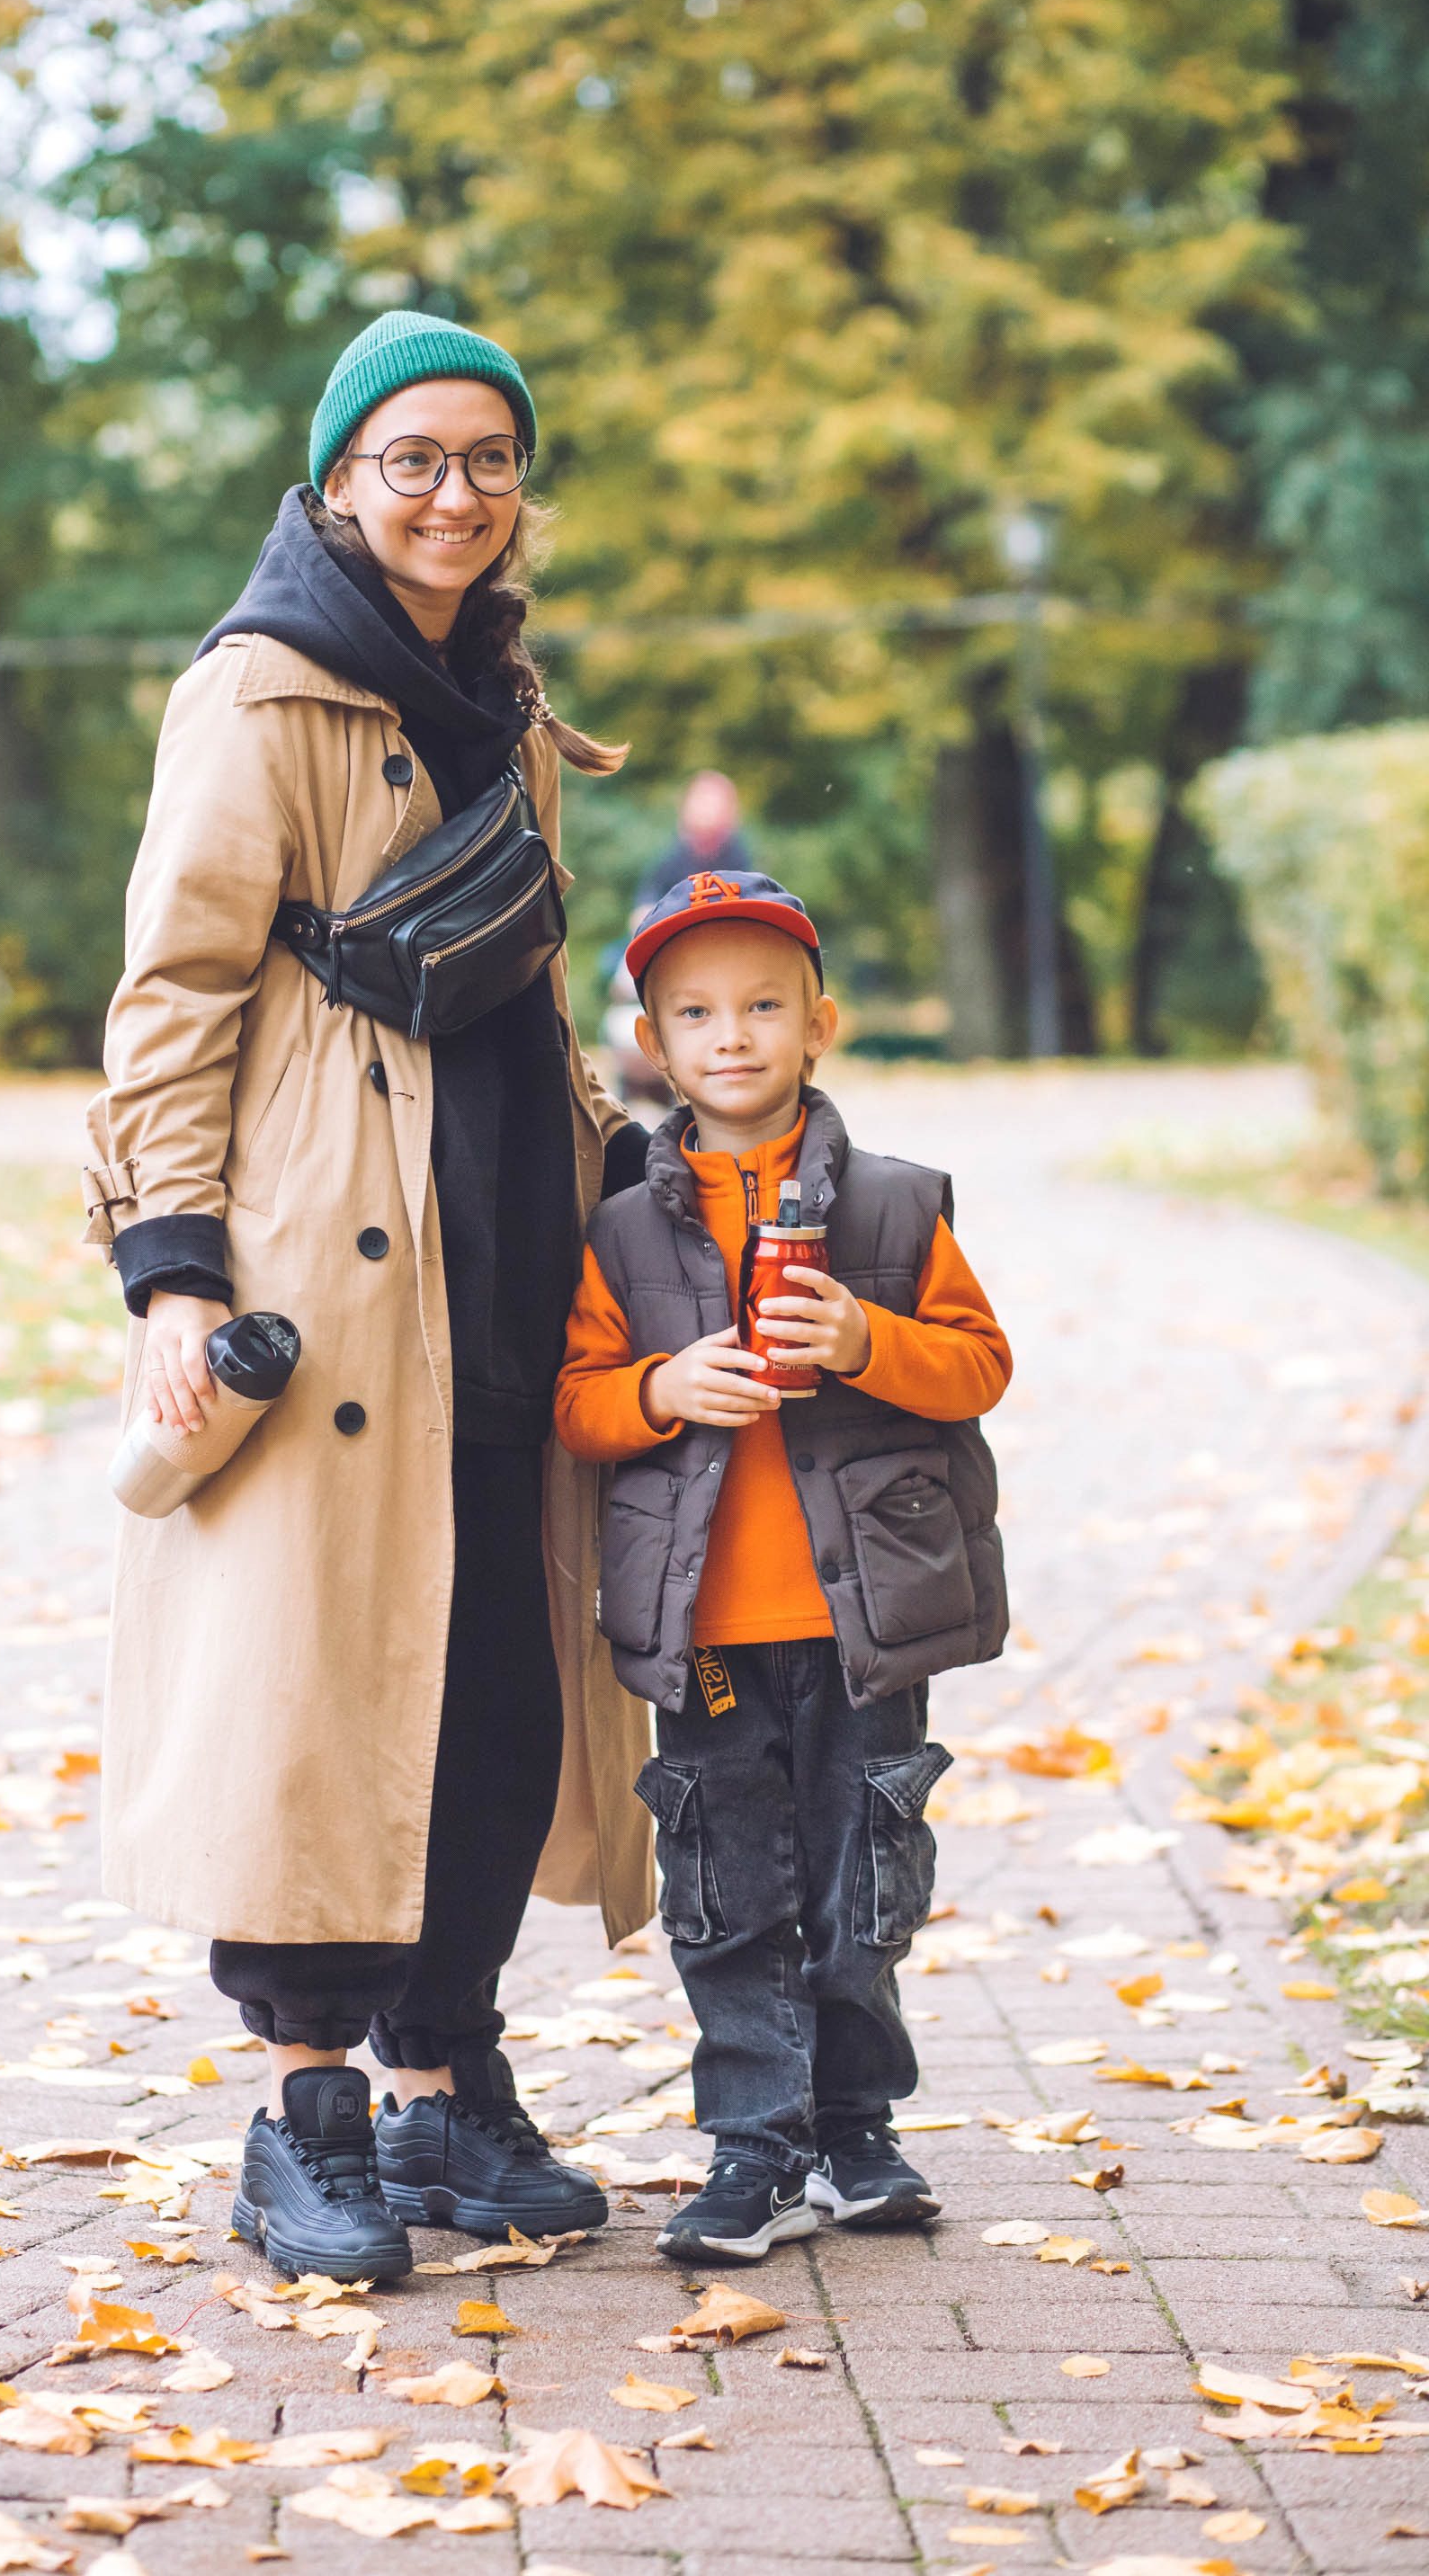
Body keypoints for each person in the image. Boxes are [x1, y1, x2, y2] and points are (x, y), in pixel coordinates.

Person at [84, 310, 656, 2285]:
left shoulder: (502, 694)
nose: (453, 492)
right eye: (412, 457)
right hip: (325, 1268)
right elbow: (173, 993)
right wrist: (168, 1270)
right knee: (323, 1694)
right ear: (338, 477)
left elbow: (531, 991)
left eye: (489, 459)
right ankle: (302, 2111)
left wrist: (620, 1171)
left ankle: (443, 2094)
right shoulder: (259, 695)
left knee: (492, 1691)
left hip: (506, 1247)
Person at [553, 868, 1012, 2260]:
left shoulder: (886, 1205)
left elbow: (982, 1365)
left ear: (822, 1025)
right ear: (654, 1043)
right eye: (694, 1012)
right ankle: (754, 2146)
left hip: (862, 1617)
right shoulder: (625, 1224)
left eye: (763, 1005)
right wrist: (660, 1388)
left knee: (863, 1876)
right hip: (704, 1630)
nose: (731, 1034)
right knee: (726, 1889)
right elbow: (577, 1401)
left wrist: (869, 1346)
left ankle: (855, 2134)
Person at [633, 771, 755, 916]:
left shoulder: (739, 857)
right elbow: (645, 902)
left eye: (713, 804)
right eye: (702, 803)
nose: (706, 812)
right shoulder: (671, 857)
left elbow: (750, 900)